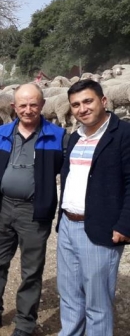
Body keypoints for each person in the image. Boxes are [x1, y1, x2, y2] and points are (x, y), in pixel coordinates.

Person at [0, 83, 66, 336]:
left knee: (31, 270)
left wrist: (68, 212)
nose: (28, 110)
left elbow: (71, 177)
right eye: (23, 105)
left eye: (34, 104)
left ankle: (24, 324)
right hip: (3, 208)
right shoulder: (2, 133)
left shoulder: (57, 136)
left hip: (35, 213)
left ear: (42, 105)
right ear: (14, 107)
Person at [57, 79, 130, 335]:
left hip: (100, 228)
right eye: (75, 105)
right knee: (69, 295)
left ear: (103, 101)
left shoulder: (123, 134)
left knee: (97, 304)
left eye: (87, 101)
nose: (82, 109)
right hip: (67, 225)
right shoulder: (74, 137)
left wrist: (124, 224)